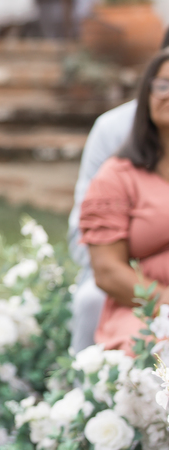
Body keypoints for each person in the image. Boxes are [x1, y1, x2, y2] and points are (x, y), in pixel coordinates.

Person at [68, 27, 169, 353]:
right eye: (163, 84)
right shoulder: (117, 168)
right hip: (140, 301)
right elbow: (106, 267)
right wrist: (164, 302)